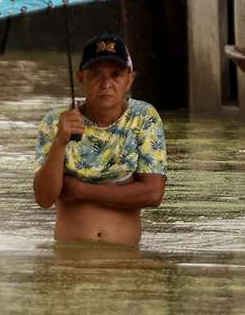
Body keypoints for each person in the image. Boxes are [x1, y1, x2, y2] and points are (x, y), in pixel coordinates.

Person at [32, 35, 167, 245]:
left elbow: (153, 194)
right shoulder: (57, 121)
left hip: (125, 264)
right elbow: (43, 198)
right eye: (96, 74)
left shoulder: (143, 117)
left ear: (130, 79)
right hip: (70, 259)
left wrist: (82, 190)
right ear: (80, 78)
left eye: (116, 75)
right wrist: (60, 141)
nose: (106, 84)